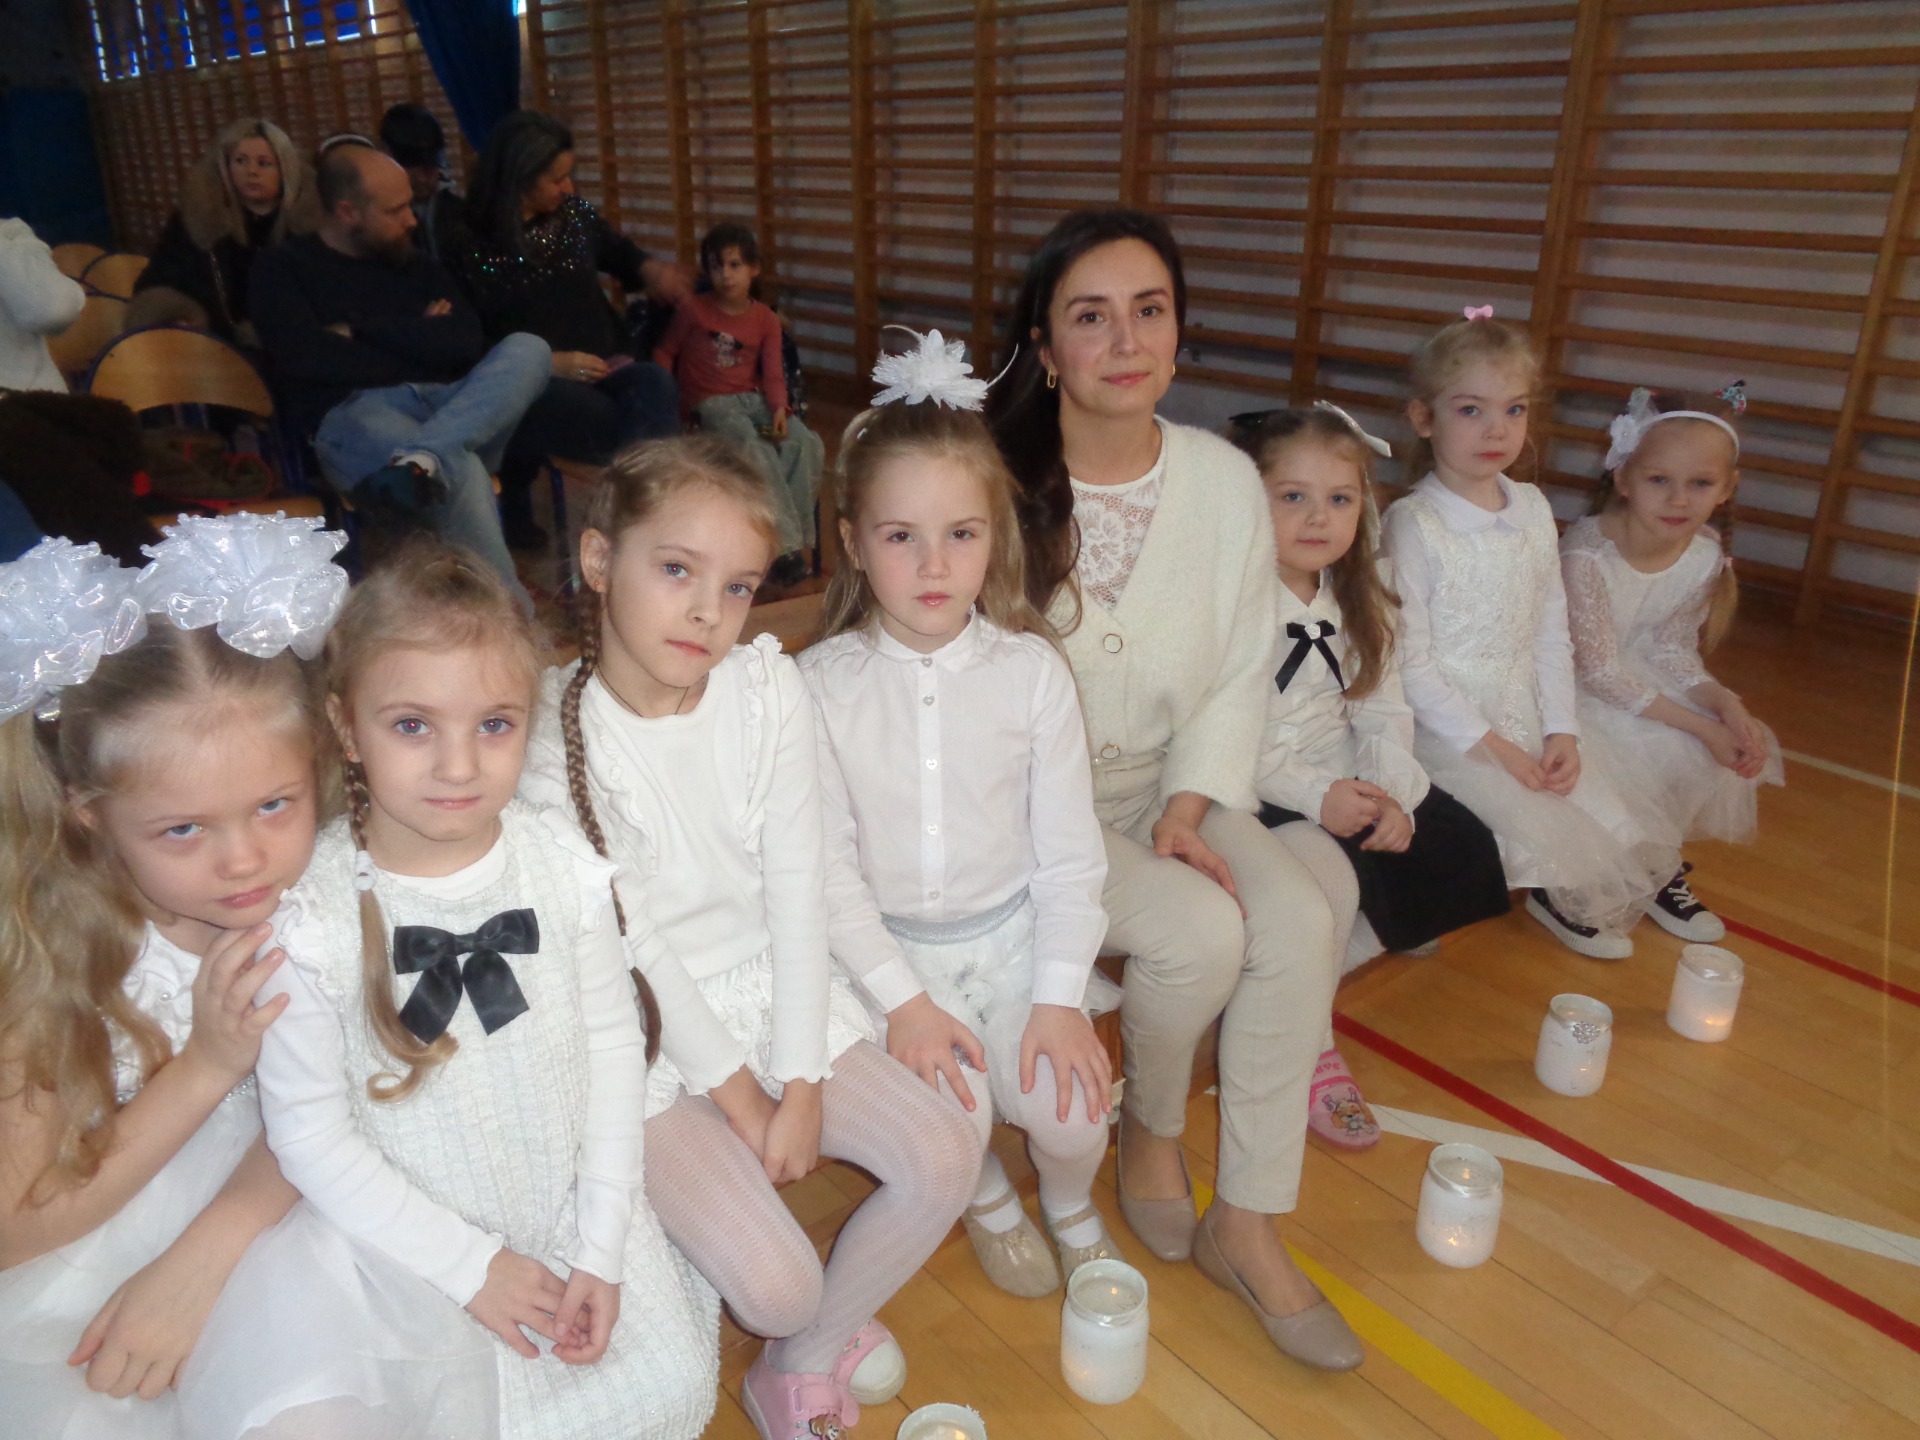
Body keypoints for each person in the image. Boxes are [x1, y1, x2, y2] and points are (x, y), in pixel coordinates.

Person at [518, 436, 980, 1440]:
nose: (706, 612)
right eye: (675, 570)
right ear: (598, 560)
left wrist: (802, 1080)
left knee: (948, 1147)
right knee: (778, 1288)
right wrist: (745, 1100)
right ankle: (807, 1317)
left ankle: (804, 1360)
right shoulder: (551, 741)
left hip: (770, 989)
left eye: (736, 587)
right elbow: (639, 951)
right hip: (643, 1039)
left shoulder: (765, 687)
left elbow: (798, 885)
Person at [986, 208, 1362, 1372]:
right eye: (1090, 317)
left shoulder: (1222, 481)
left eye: (1148, 311)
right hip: (1030, 809)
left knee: (1299, 914)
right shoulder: (994, 481)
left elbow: (1242, 667)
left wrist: (1191, 809)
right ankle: (1150, 1130)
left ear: (1179, 331)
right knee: (1201, 932)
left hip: (1170, 783)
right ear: (1046, 348)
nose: (1125, 340)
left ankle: (1247, 1220)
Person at [250, 542, 719, 1440]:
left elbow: (614, 1052)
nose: (459, 767)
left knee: (668, 1389)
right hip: (410, 1250)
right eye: (413, 725)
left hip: (574, 1205)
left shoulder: (561, 865)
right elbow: (311, 1138)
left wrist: (601, 1244)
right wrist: (471, 1269)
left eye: (495, 724)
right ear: (345, 726)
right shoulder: (309, 920)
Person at [0, 518, 362, 1438]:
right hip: (92, 1252)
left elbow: (375, 1094)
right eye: (184, 829)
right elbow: (12, 1228)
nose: (244, 861)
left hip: (306, 1212)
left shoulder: (335, 887)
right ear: (87, 815)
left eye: (274, 805)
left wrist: (210, 1253)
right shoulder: (57, 953)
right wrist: (206, 1064)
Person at [801, 332, 1116, 1300]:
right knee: (953, 1118)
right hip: (892, 963)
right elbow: (826, 874)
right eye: (901, 536)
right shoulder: (817, 689)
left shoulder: (1030, 675)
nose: (934, 564)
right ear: (854, 541)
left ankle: (1069, 1201)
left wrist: (1057, 997)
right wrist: (904, 1003)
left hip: (1014, 944)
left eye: (962, 535)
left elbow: (1070, 860)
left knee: (1073, 1112)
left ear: (996, 536)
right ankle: (983, 1194)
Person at [1226, 404, 1509, 1152]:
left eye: (1340, 498)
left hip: (1339, 768)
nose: (1318, 517)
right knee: (1329, 887)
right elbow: (1227, 735)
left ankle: (1282, 982)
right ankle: (1311, 1043)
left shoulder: (1358, 595)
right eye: (1293, 496)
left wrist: (1389, 791)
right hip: (1255, 785)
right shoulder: (1228, 605)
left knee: (1462, 846)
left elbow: (1381, 707)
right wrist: (1317, 796)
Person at [1381, 308, 1678, 960]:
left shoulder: (1535, 509)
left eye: (1514, 410)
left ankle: (1559, 884)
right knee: (1497, 813)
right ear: (1424, 418)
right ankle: (1509, 884)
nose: (1497, 430)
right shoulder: (1414, 523)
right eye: (1471, 410)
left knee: (1587, 804)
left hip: (1525, 705)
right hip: (1451, 725)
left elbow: (1550, 634)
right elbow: (1412, 664)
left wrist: (1561, 730)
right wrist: (1496, 749)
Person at [251, 143, 550, 610]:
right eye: (395, 210)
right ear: (348, 212)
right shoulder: (283, 268)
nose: (412, 220)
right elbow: (307, 358)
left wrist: (359, 332)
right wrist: (419, 336)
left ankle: (422, 458)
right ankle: (513, 619)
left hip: (446, 403)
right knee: (460, 467)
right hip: (355, 414)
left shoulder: (415, 263)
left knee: (530, 348)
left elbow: (464, 341)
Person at [1562, 384, 1783, 941]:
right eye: (1659, 480)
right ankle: (1570, 882)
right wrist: (1700, 726)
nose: (1679, 500)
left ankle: (1654, 865)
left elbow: (1672, 649)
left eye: (1700, 484)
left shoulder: (1703, 553)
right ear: (1624, 478)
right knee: (1642, 748)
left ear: (1727, 488)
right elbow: (1597, 670)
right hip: (1571, 685)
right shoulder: (1586, 554)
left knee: (1698, 743)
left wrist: (1725, 705)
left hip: (1634, 675)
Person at [450, 110, 688, 551]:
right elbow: (464, 340)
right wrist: (549, 364)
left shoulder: (574, 216)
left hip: (605, 364)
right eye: (556, 179)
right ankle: (634, 518)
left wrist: (649, 269)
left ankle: (643, 515)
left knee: (655, 382)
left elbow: (619, 253)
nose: (569, 188)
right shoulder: (467, 241)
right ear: (519, 179)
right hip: (532, 383)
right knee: (605, 418)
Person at [653, 222, 822, 588]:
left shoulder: (765, 319)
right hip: (710, 406)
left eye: (735, 265)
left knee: (803, 441)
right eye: (717, 267)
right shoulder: (693, 311)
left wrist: (778, 409)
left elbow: (773, 373)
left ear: (753, 269)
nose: (726, 275)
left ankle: (784, 540)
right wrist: (665, 400)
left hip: (752, 402)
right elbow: (665, 352)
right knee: (751, 443)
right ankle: (783, 549)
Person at [128, 119, 320, 346]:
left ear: (285, 169)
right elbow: (160, 277)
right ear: (226, 166)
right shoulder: (197, 219)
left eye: (264, 163)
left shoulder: (313, 224)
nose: (252, 172)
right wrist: (177, 316)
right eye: (240, 161)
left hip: (296, 345)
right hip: (217, 345)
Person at [379, 103, 464, 264]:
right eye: (412, 166)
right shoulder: (374, 222)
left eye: (429, 168)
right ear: (386, 156)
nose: (422, 179)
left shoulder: (462, 214)